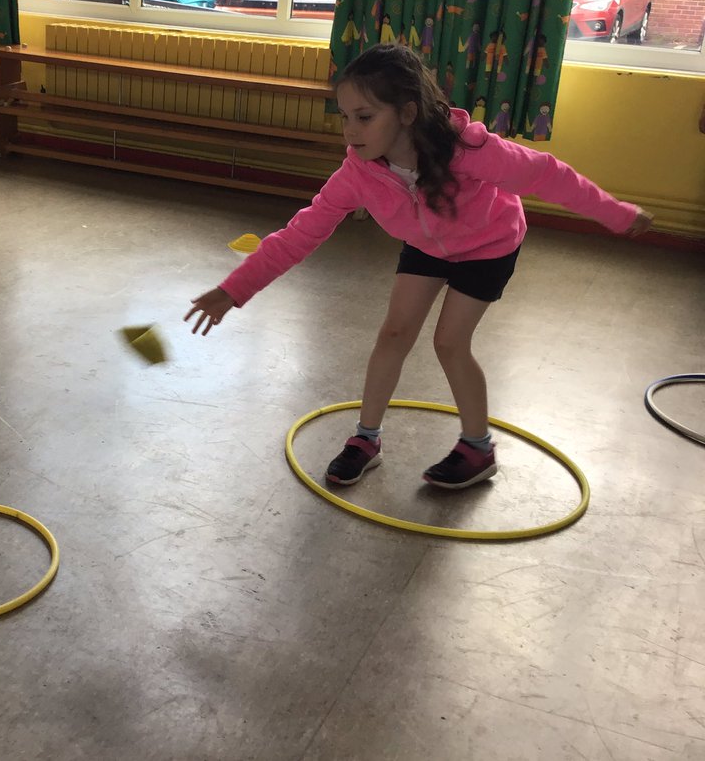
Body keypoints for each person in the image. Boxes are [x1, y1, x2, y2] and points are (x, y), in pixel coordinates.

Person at [184, 43, 653, 490]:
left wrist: (617, 213)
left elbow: (549, 176)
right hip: (426, 245)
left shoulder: (470, 151)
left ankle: (477, 449)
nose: (350, 131)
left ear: (407, 112)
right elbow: (301, 233)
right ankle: (366, 438)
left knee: (449, 343)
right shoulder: (359, 172)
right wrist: (234, 290)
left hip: (488, 244)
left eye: (364, 117)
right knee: (393, 333)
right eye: (345, 117)